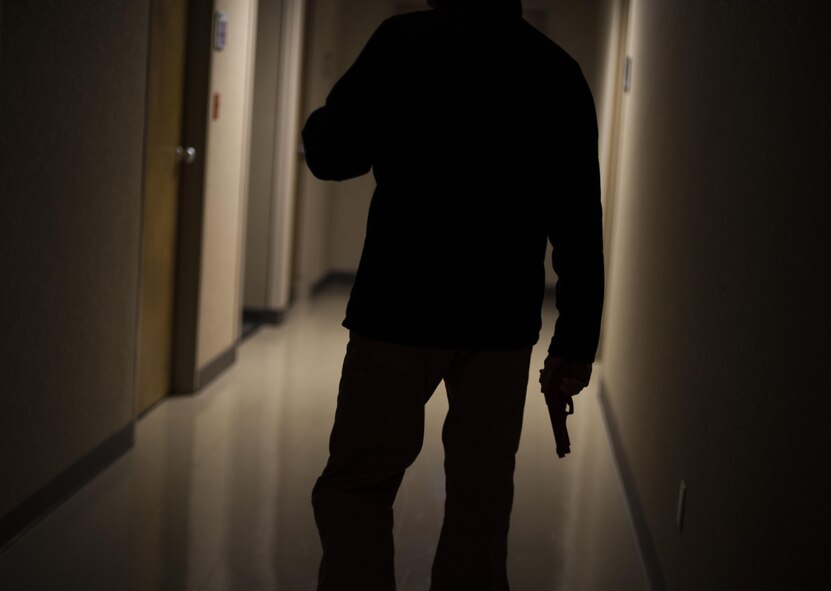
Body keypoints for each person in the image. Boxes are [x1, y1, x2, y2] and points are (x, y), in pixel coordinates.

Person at [302, 0, 604, 589]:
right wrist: (576, 337)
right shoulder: (556, 71)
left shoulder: (403, 42)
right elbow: (578, 220)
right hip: (500, 321)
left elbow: (331, 153)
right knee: (480, 501)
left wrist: (328, 117)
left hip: (398, 308)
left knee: (360, 487)